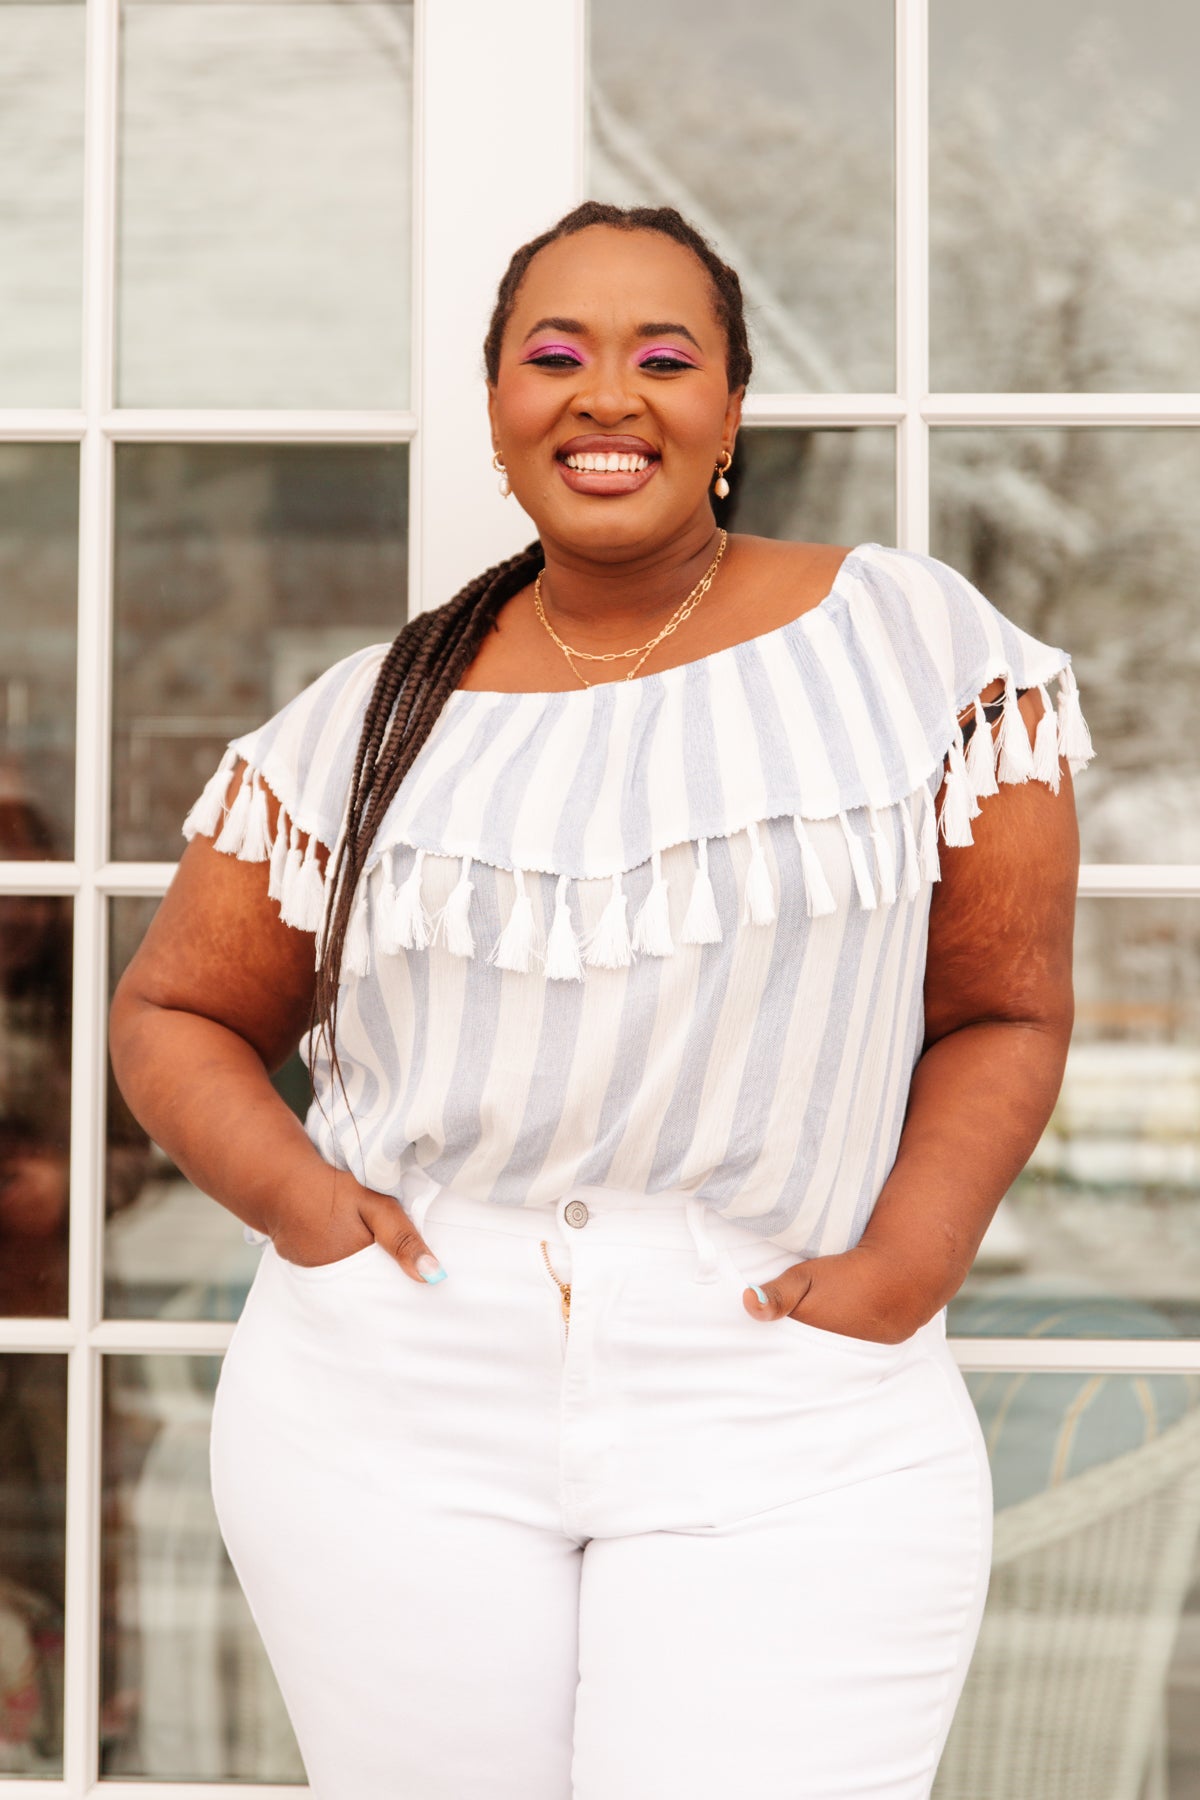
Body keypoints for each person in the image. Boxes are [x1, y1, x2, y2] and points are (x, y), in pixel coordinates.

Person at [108, 201, 1095, 1800]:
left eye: (664, 358)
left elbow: (1005, 1008)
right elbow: (173, 1013)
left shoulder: (916, 650)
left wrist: (903, 1273)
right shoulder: (369, 715)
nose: (606, 396)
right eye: (555, 356)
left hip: (787, 1393)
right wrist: (309, 1212)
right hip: (391, 1399)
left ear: (733, 408)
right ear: (498, 406)